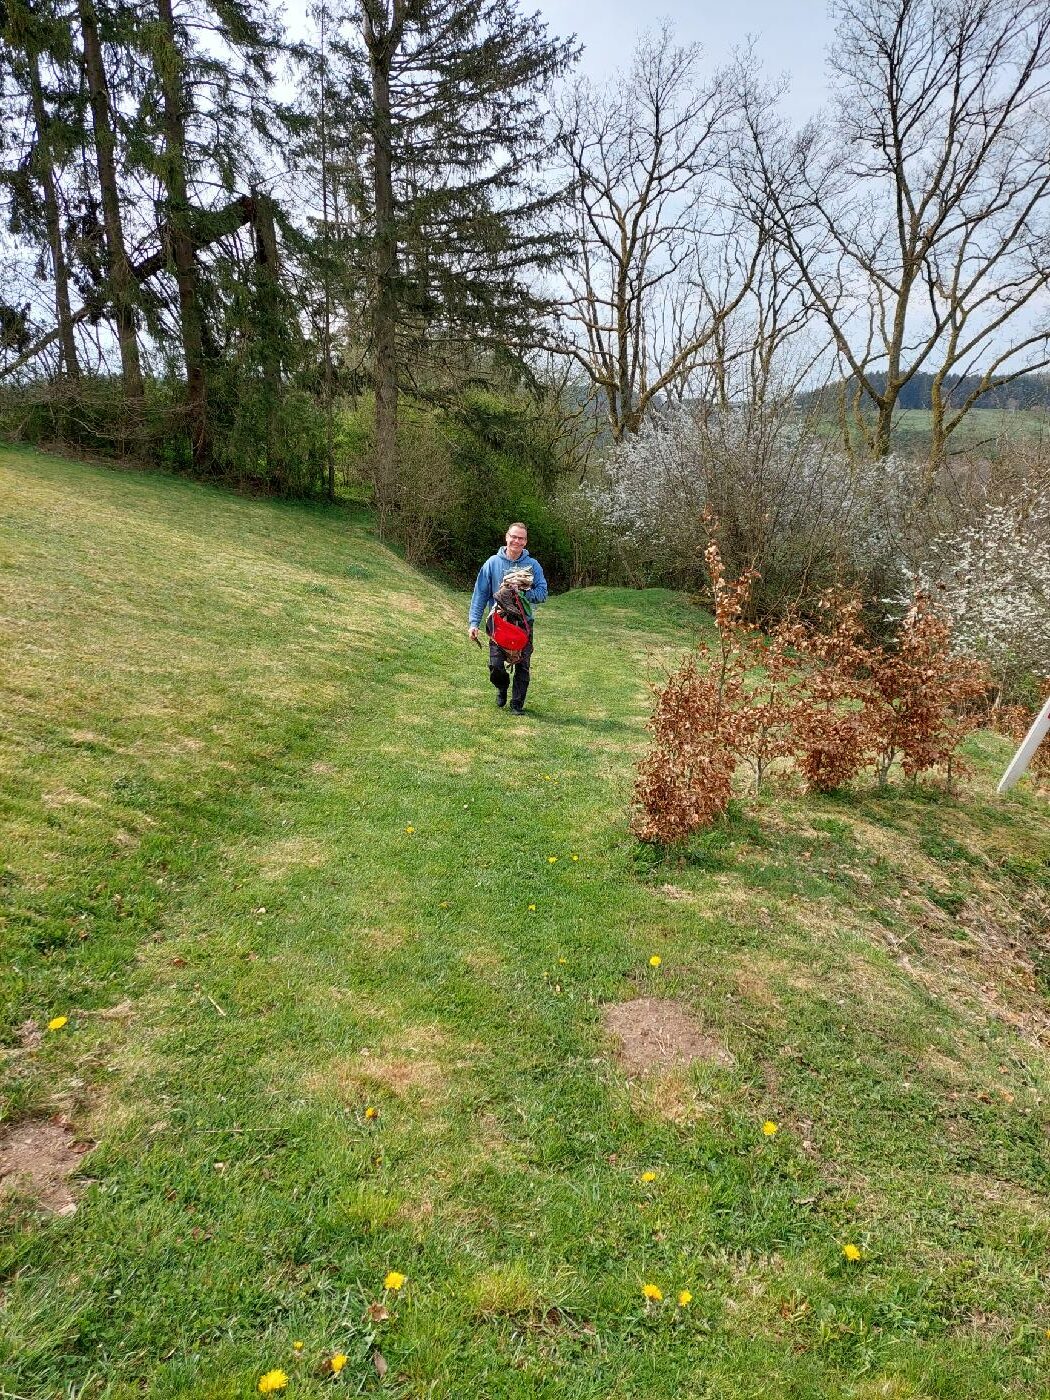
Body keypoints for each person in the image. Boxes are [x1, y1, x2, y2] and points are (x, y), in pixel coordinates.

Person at [468, 522, 548, 713]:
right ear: (506, 537)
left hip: (523, 623)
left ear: (525, 542)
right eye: (514, 536)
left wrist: (520, 593)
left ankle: (517, 704)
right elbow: (480, 594)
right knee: (495, 665)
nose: (516, 541)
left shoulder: (533, 565)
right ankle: (502, 687)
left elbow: (543, 593)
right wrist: (473, 622)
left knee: (522, 665)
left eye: (521, 538)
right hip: (499, 622)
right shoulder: (492, 563)